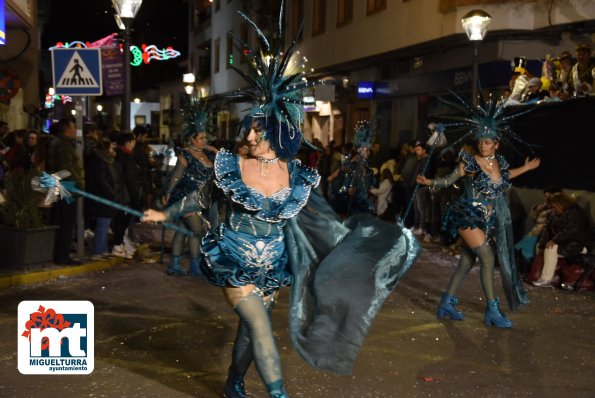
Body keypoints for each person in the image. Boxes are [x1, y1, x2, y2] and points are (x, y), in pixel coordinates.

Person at [143, 3, 419, 397]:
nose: (250, 138)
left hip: (272, 266)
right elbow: (198, 198)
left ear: (279, 135)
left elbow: (325, 224)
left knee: (248, 331)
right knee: (257, 324)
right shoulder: (232, 166)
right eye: (249, 131)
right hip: (236, 259)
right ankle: (277, 392)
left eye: (259, 133)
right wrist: (164, 211)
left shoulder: (298, 177)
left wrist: (372, 250)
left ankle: (234, 382)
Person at [416, 93, 541, 328]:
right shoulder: (470, 163)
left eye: (488, 142)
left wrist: (524, 168)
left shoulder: (499, 164)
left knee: (466, 261)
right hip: (467, 214)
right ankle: (492, 309)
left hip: (485, 219)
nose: (483, 146)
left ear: (496, 144)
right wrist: (428, 182)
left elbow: (505, 177)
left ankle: (446, 303)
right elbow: (448, 180)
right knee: (487, 257)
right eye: (481, 141)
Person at [161, 117, 218, 276]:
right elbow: (176, 176)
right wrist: (168, 193)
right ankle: (194, 264)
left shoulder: (208, 154)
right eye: (200, 138)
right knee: (197, 230)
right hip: (185, 198)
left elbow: (221, 164)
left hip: (201, 199)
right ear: (191, 139)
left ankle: (175, 264)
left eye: (204, 137)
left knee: (182, 230)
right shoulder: (185, 155)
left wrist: (213, 150)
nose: (203, 140)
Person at [532, 193, 594, 287]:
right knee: (549, 248)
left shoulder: (575, 213)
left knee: (552, 248)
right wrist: (542, 244)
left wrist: (555, 240)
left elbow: (572, 230)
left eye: (555, 206)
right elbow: (547, 230)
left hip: (581, 243)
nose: (553, 209)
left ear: (562, 204)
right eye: (552, 207)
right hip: (565, 243)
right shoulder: (553, 214)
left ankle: (546, 279)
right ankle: (543, 278)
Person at [46, 117, 84, 265]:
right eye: (73, 128)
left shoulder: (58, 143)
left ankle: (61, 255)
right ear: (67, 130)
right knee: (67, 223)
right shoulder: (63, 145)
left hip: (61, 188)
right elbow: (65, 169)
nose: (75, 131)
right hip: (66, 189)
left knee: (63, 222)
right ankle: (63, 256)